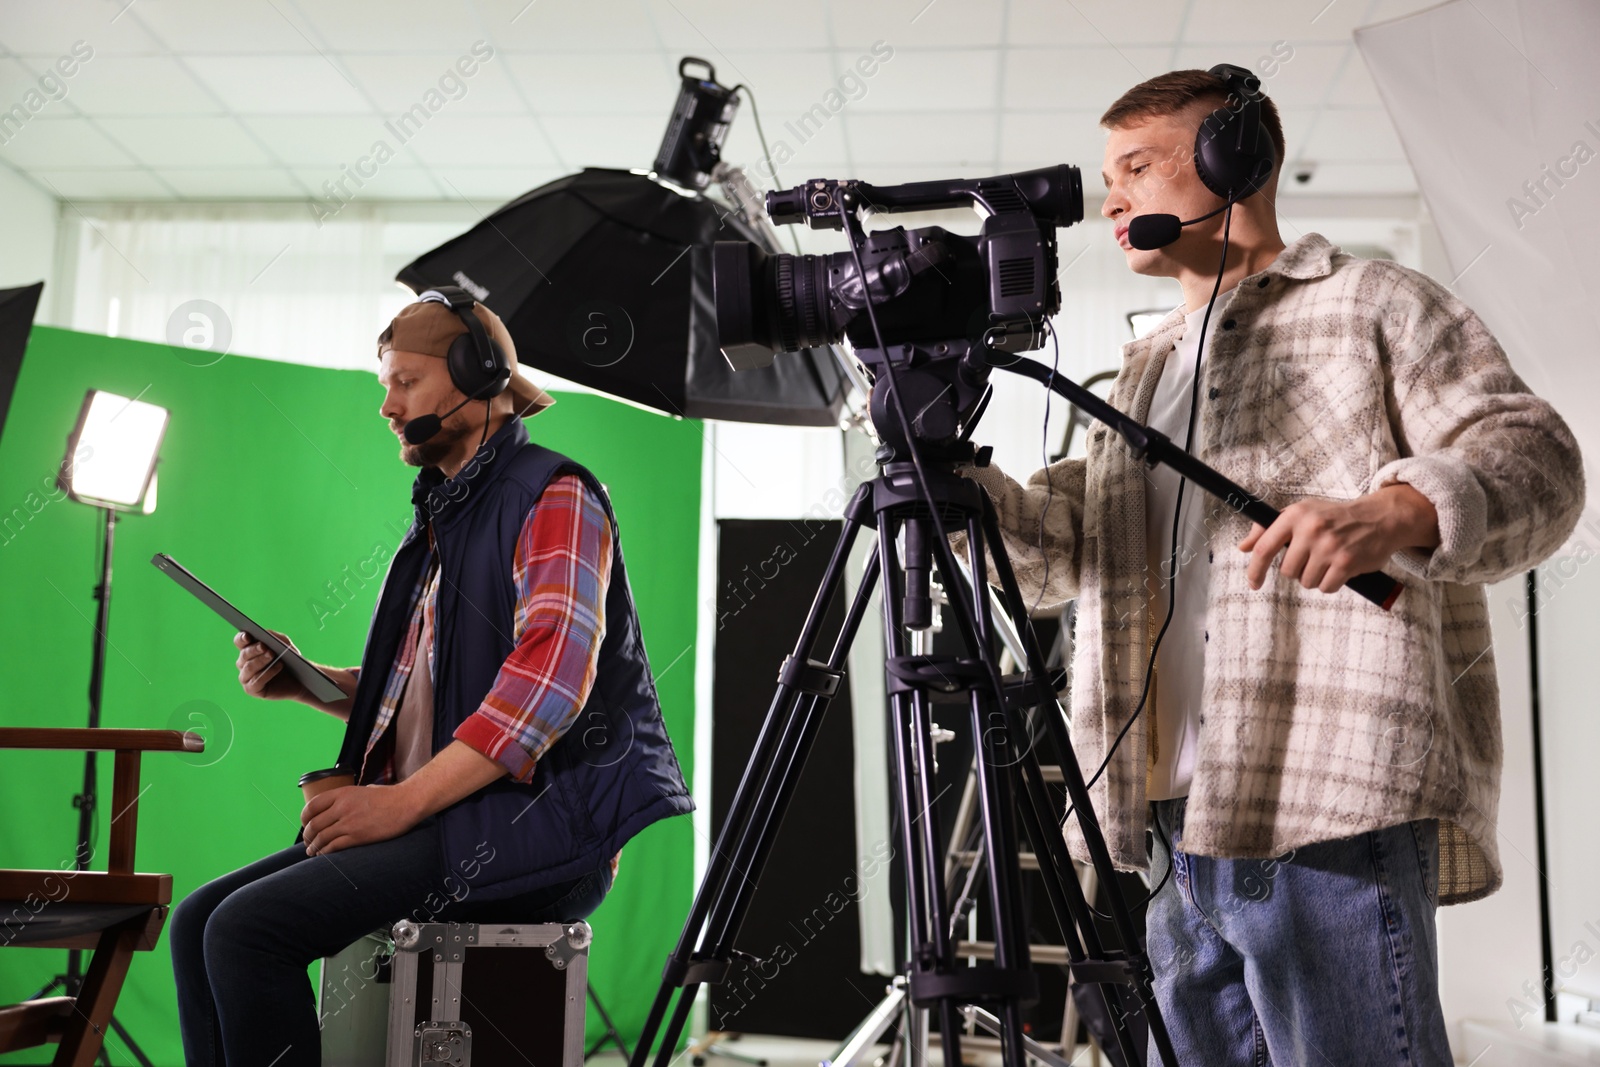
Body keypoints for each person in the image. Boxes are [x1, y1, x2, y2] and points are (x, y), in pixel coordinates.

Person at [962, 69, 1585, 1065]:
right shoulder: (1144, 368)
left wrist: (1398, 508)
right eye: (1107, 174)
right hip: (1166, 827)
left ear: (1232, 162)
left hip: (1327, 809)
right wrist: (956, 478)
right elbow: (1057, 556)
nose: (1112, 198)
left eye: (1137, 167)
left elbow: (1536, 459)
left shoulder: (1374, 302)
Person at [170, 292, 693, 1067]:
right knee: (198, 921)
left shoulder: (556, 496)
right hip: (456, 819)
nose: (386, 405)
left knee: (248, 930)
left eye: (405, 383)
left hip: (539, 832)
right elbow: (425, 691)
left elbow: (546, 688)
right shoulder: (446, 515)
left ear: (478, 378)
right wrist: (309, 680)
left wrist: (397, 803)